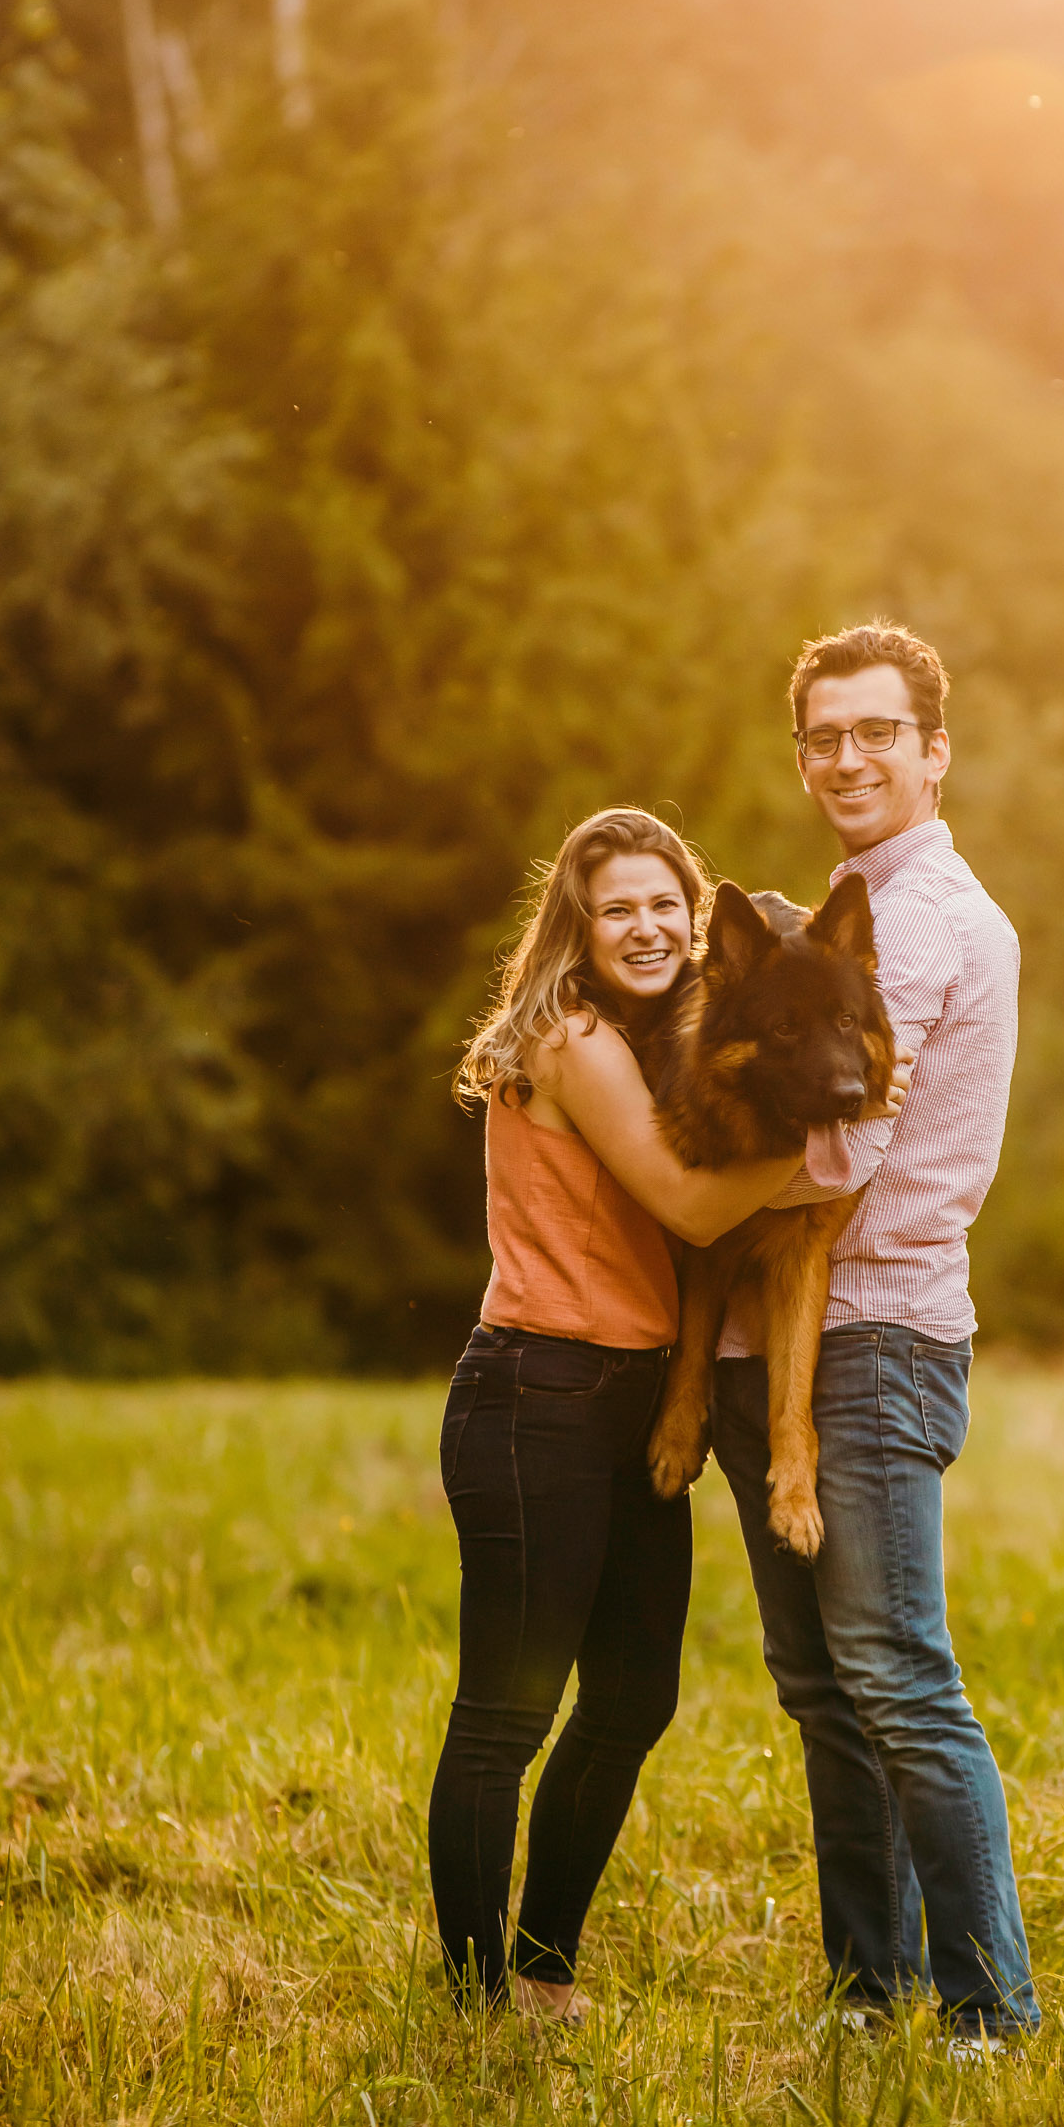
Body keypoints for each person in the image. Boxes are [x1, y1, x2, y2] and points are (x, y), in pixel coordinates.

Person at [708, 620, 1041, 2048]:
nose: (848, 756)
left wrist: (657, 1184)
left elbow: (832, 1146)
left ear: (931, 750)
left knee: (893, 1677)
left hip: (870, 1334)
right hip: (776, 1332)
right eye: (824, 737)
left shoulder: (920, 919)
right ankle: (868, 1987)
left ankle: (988, 2009)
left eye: (876, 733)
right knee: (823, 1691)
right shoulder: (850, 905)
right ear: (803, 756)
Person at [432, 808, 812, 2022]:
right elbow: (689, 1209)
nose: (644, 928)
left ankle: (542, 1968)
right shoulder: (576, 1039)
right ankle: (478, 1990)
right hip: (534, 1394)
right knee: (507, 1714)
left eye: (666, 906)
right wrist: (843, 1135)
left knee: (635, 1694)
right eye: (616, 909)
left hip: (634, 1402)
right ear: (577, 928)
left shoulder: (662, 1046)